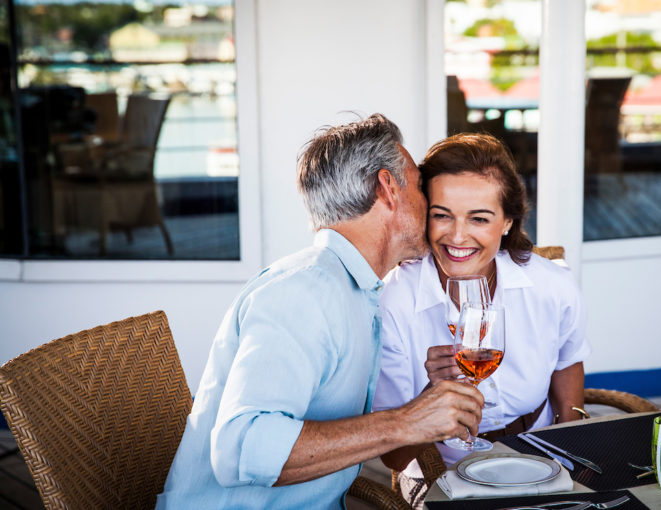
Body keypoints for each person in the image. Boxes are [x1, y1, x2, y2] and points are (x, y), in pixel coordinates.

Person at [156, 114, 483, 510]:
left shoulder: (353, 289)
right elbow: (240, 448)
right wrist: (405, 421)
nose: (430, 204)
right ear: (388, 189)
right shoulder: (304, 291)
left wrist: (427, 407)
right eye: (419, 185)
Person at [372, 133, 590, 506]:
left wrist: (568, 451)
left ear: (507, 222)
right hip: (440, 466)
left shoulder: (552, 286)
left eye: (479, 218)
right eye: (442, 215)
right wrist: (432, 396)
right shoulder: (392, 300)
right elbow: (394, 457)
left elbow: (566, 363)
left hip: (538, 454)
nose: (457, 236)